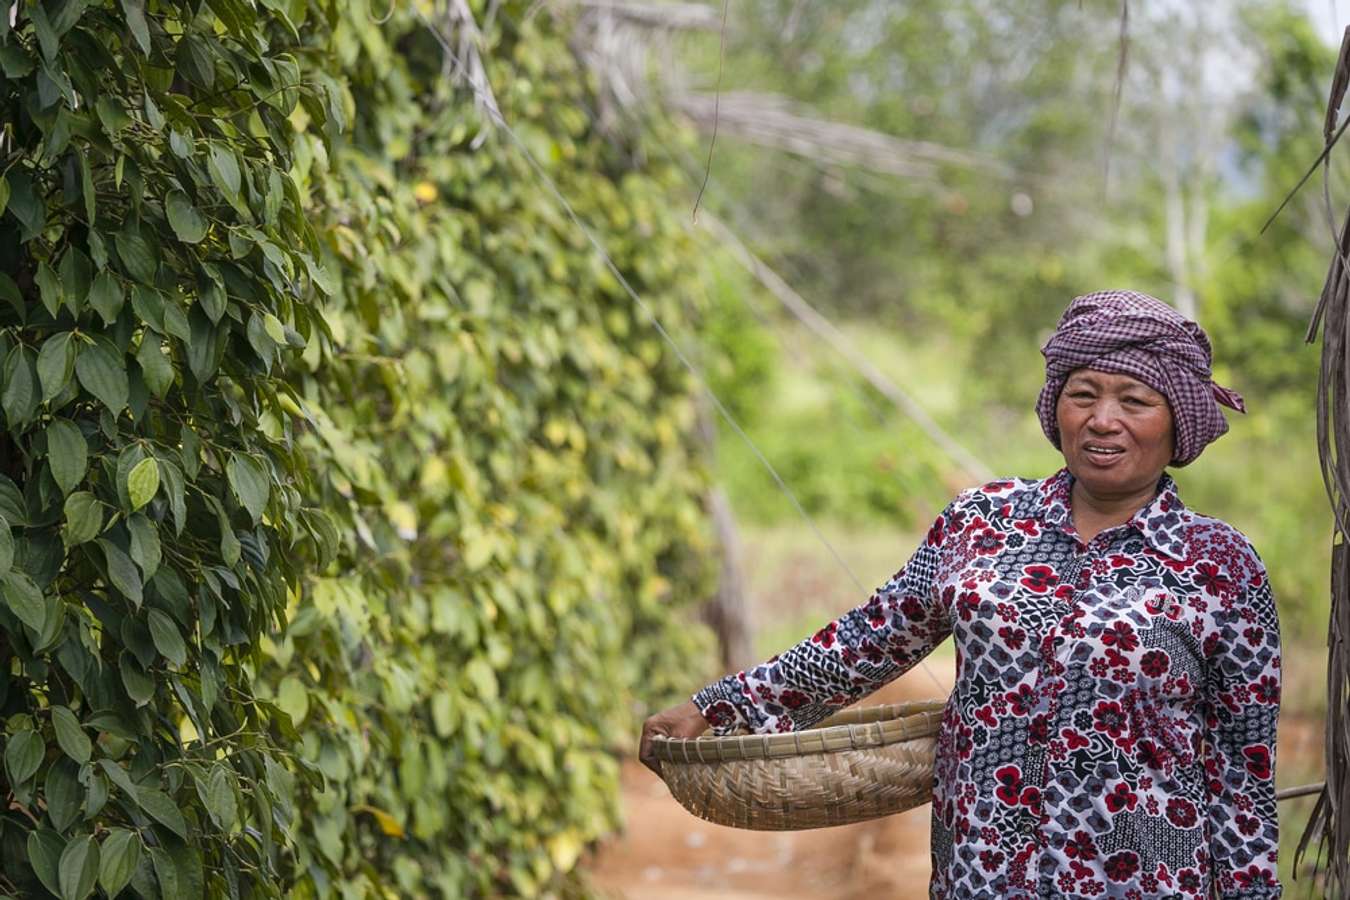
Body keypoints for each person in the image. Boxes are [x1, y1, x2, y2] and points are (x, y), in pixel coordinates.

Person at [639, 290, 1281, 899]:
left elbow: (1242, 772)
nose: (1102, 420)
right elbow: (869, 640)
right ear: (1056, 405)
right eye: (1082, 394)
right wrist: (719, 707)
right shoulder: (983, 523)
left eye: (1135, 401)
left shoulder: (1219, 565)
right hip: (981, 874)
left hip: (1142, 881)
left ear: (1179, 422)